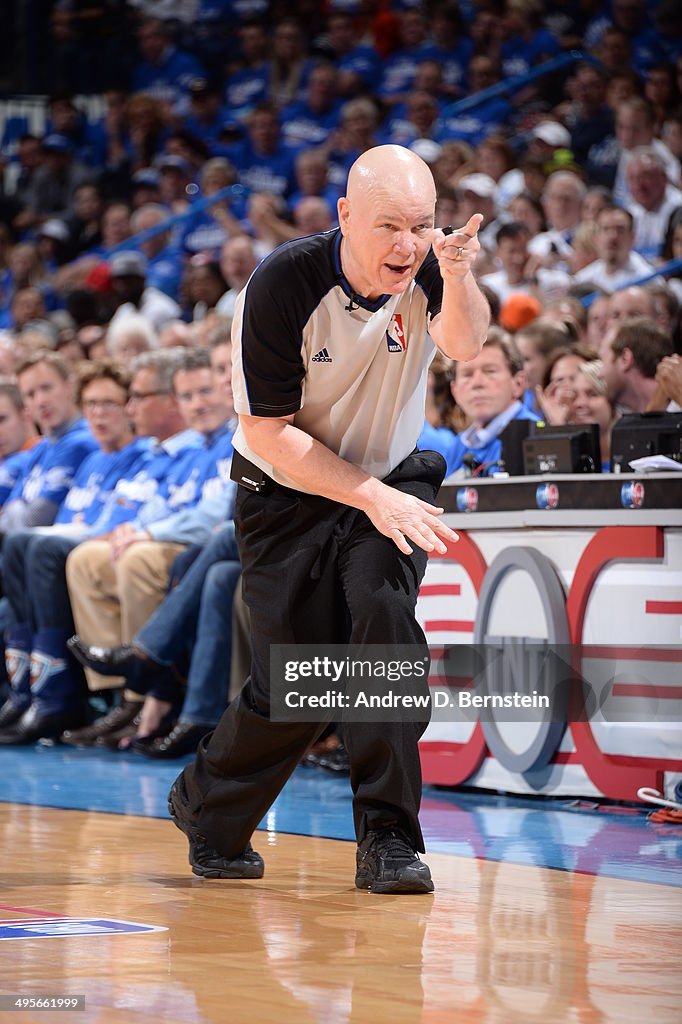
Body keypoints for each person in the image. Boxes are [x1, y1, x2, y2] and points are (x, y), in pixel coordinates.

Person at [168, 144, 489, 895]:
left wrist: (463, 272)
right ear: (345, 217)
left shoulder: (431, 265)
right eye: (389, 227)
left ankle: (389, 840)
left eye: (421, 225)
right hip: (287, 485)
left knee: (382, 617)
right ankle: (206, 804)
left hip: (391, 473)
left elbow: (466, 345)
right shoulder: (281, 284)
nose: (408, 245)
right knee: (299, 681)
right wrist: (365, 496)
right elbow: (268, 431)